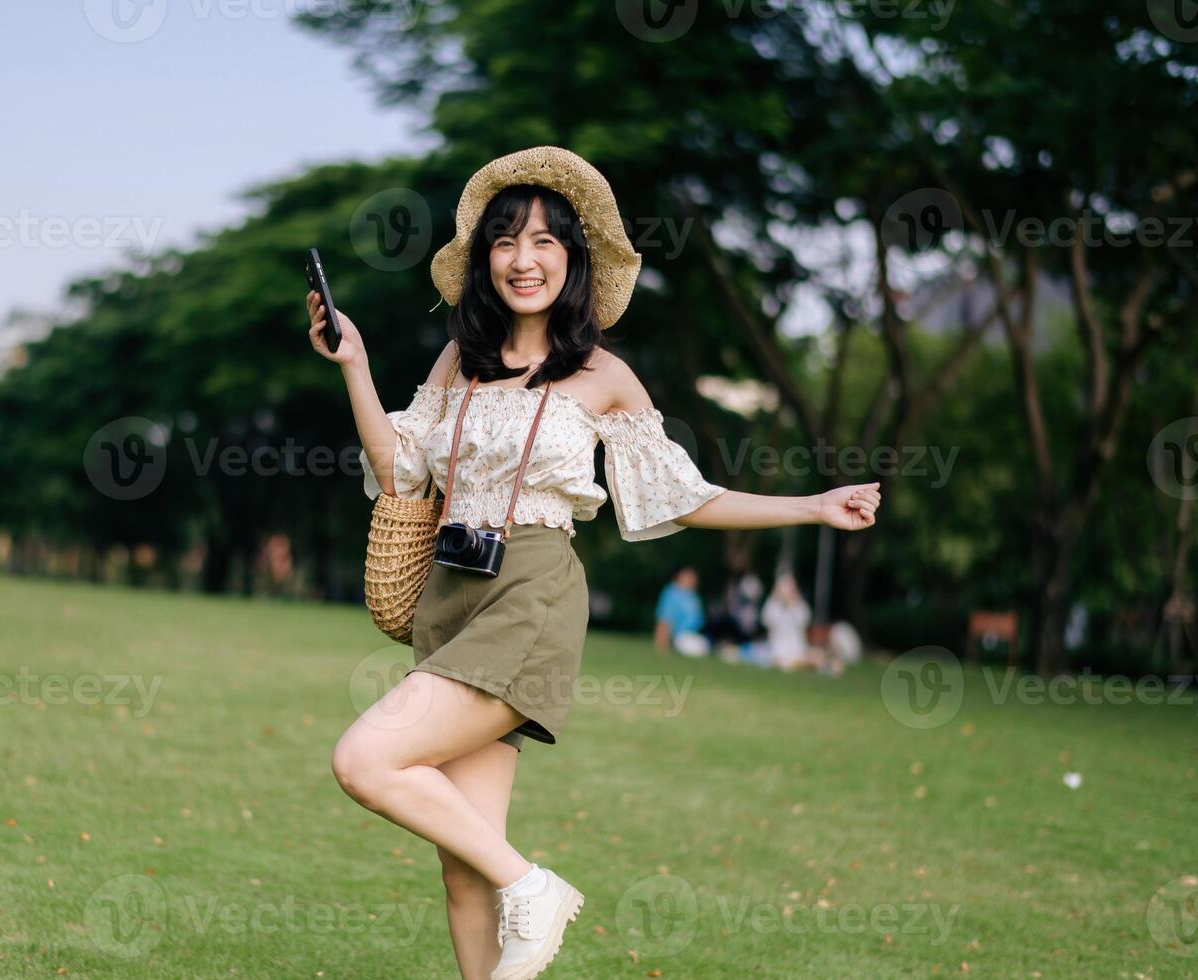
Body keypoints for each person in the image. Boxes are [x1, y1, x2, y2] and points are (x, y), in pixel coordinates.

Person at [307, 146, 881, 980]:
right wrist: (355, 366)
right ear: (483, 260)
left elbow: (682, 496)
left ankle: (534, 887)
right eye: (504, 241)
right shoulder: (457, 361)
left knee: (364, 759)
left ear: (572, 259)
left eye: (543, 241)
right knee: (462, 870)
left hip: (532, 593)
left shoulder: (603, 376)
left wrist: (812, 506)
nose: (522, 259)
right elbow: (401, 470)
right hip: (453, 593)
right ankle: (514, 891)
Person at [654, 567, 710, 657]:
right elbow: (664, 620)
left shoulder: (693, 596)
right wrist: (661, 646)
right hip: (681, 637)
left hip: (697, 635)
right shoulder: (672, 594)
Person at [761, 573, 812, 671]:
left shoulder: (799, 605)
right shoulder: (773, 604)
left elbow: (804, 620)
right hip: (777, 649)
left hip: (797, 649)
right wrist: (773, 598)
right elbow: (766, 620)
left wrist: (792, 604)